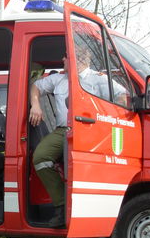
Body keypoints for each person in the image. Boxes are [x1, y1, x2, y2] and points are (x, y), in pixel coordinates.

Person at [29, 44, 124, 228]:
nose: (62, 60)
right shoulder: (58, 79)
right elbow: (35, 87)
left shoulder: (99, 79)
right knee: (40, 158)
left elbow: (122, 96)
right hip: (63, 131)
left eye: (65, 56)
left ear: (78, 58)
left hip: (90, 132)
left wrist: (108, 120)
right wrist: (36, 105)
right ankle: (61, 205)